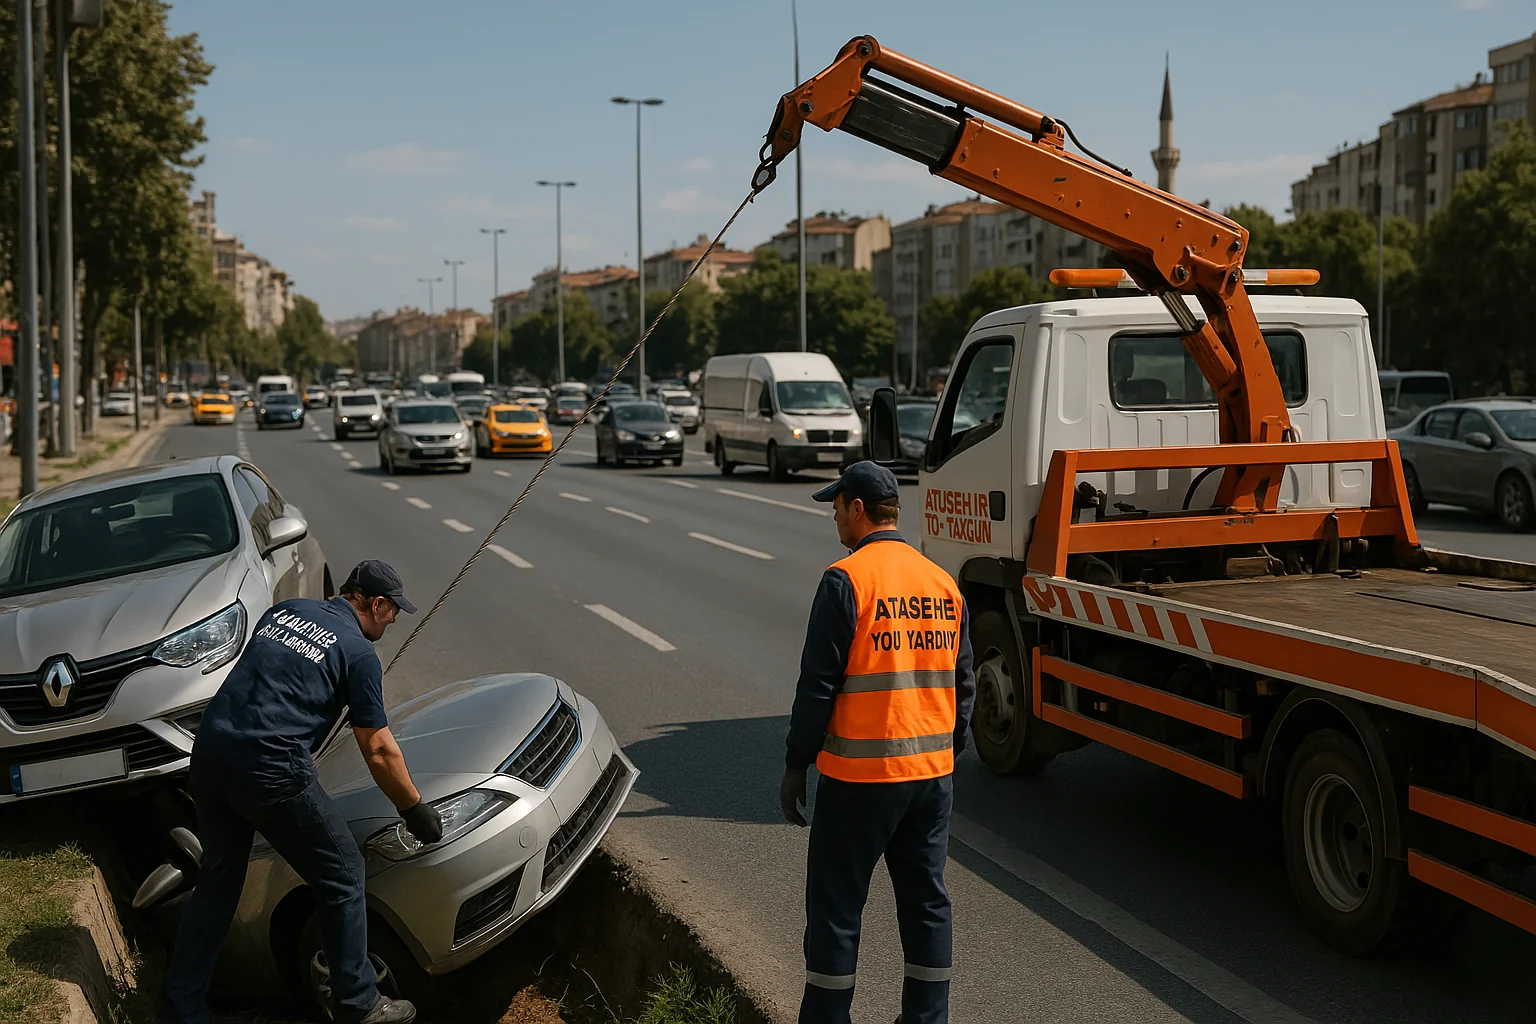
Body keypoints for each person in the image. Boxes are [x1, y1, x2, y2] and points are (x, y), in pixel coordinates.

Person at [162, 561, 442, 1024]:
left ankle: (183, 1008)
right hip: (270, 768)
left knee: (217, 884)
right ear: (375, 604)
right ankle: (357, 1002)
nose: (394, 621)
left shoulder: (286, 612)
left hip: (212, 753)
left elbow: (275, 682)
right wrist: (413, 808)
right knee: (343, 873)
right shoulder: (359, 653)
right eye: (393, 611)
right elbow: (378, 750)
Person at [782, 462, 975, 1024]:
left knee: (837, 908)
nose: (834, 517)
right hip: (931, 780)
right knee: (926, 904)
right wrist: (946, 755)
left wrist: (797, 764)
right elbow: (962, 688)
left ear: (858, 508)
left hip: (861, 781)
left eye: (837, 506)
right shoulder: (942, 582)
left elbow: (818, 687)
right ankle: (926, 1018)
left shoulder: (847, 579)